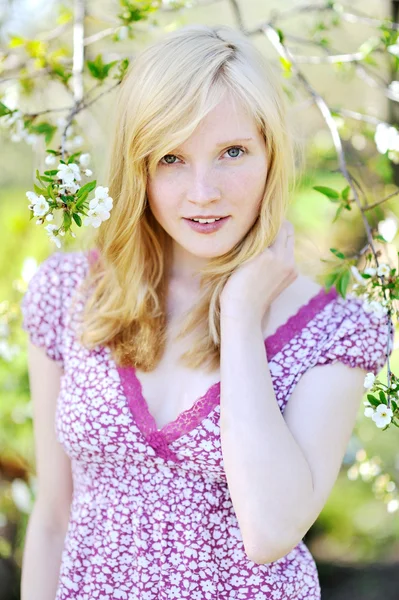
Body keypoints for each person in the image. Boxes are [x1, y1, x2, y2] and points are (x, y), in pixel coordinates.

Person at [20, 24, 393, 600]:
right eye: (172, 157)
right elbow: (51, 519)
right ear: (138, 166)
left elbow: (270, 531)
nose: (203, 192)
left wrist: (241, 317)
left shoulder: (335, 331)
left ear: (272, 155)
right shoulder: (70, 293)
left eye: (232, 152)